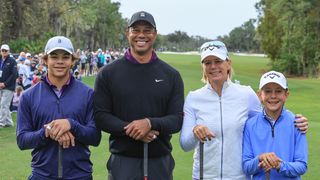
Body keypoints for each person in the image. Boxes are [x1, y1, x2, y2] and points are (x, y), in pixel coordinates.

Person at [179, 40, 309, 180]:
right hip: (204, 176)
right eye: (207, 63)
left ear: (228, 63)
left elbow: (268, 118)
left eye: (218, 61)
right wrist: (195, 132)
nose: (213, 66)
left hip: (238, 176)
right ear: (203, 67)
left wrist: (295, 120)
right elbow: (185, 144)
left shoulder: (246, 94)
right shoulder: (194, 98)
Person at [94, 11, 184, 180]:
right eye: (136, 30)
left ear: (155, 34)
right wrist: (133, 129)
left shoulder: (171, 75)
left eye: (147, 30)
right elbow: (101, 116)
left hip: (159, 162)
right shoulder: (108, 73)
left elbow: (177, 119)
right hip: (122, 162)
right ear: (127, 33)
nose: (141, 35)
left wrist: (150, 123)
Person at [16, 36, 101, 180]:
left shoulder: (88, 94)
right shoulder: (29, 96)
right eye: (54, 57)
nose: (60, 61)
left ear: (73, 61)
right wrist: (48, 131)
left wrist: (71, 125)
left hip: (80, 175)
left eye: (65, 57)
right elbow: (22, 140)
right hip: (42, 175)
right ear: (45, 60)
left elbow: (94, 137)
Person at [242, 71, 307, 179]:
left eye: (278, 91)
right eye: (267, 91)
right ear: (260, 95)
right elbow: (246, 167)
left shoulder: (297, 123)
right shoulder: (250, 125)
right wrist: (260, 159)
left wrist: (279, 165)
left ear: (286, 95)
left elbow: (302, 166)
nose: (273, 96)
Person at [0, 44, 18, 128]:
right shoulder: (0, 60)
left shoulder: (12, 61)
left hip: (8, 87)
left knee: (3, 105)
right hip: (0, 86)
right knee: (4, 105)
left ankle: (1, 123)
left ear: (8, 51)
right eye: (2, 50)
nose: (4, 52)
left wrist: (5, 83)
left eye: (5, 51)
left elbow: (14, 74)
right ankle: (9, 122)